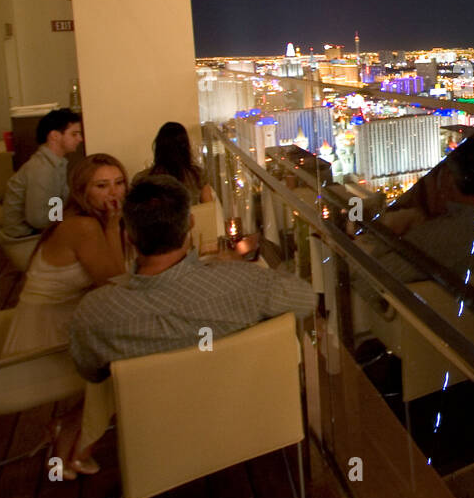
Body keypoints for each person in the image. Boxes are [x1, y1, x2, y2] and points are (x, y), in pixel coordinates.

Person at [58, 176, 318, 472]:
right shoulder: (246, 285)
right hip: (250, 429)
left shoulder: (94, 315)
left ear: (128, 236)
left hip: (155, 450)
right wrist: (229, 269)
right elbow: (305, 299)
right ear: (190, 224)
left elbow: (91, 370)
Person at [1, 153, 129, 356]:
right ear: (82, 191)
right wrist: (113, 228)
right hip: (46, 337)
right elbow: (114, 285)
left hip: (68, 317)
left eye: (119, 183)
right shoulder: (83, 226)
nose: (114, 193)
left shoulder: (92, 218)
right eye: (102, 186)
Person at [1, 108, 83, 237]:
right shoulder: (41, 169)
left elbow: (59, 200)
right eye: (74, 134)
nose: (80, 139)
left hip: (38, 230)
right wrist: (68, 217)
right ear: (54, 136)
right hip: (26, 237)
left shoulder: (56, 163)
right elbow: (37, 220)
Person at [132, 121, 213, 205]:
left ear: (158, 147)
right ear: (185, 147)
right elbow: (208, 208)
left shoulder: (142, 179)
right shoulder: (198, 175)